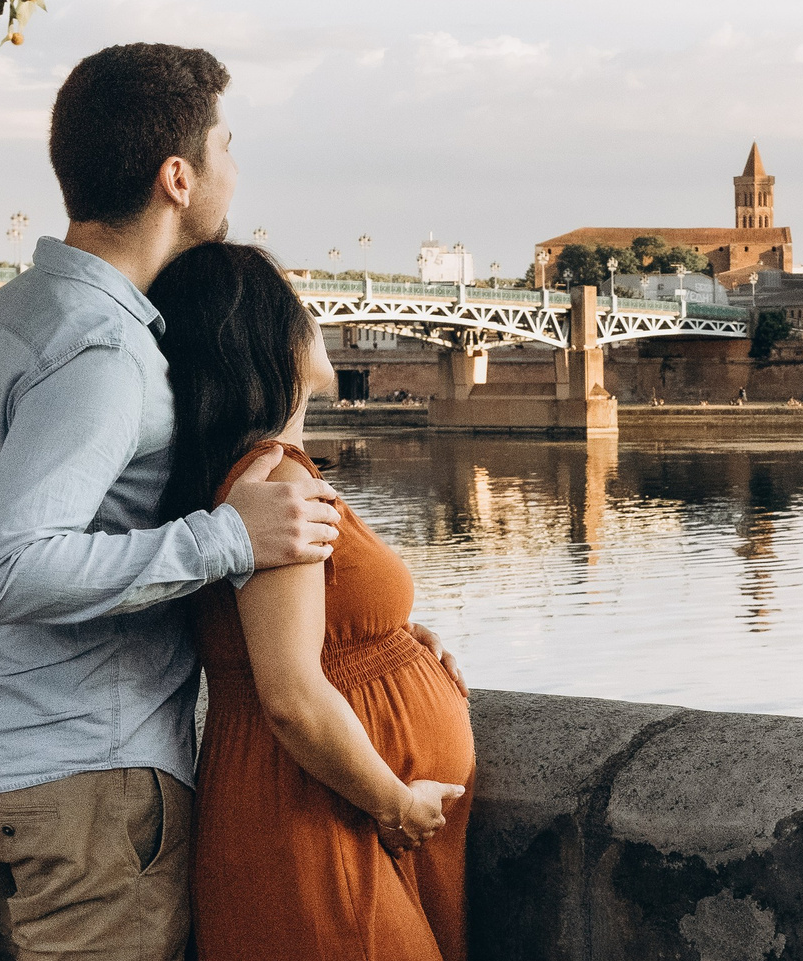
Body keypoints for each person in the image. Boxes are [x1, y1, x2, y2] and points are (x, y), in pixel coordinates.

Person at [0, 44, 373, 961]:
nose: (235, 170)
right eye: (226, 145)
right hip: (89, 771)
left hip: (10, 754)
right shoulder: (103, 351)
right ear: (178, 176)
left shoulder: (14, 313)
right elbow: (7, 569)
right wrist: (226, 539)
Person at [152, 243, 475, 961]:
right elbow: (292, 693)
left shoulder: (253, 476)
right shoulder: (277, 489)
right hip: (316, 818)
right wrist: (396, 806)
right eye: (297, 307)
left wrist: (394, 640)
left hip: (320, 807)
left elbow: (298, 630)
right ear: (265, 339)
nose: (314, 319)